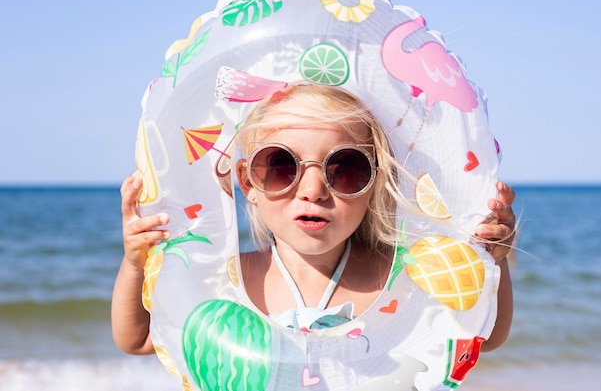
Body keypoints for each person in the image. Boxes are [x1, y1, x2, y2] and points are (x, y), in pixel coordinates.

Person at [112, 84, 516, 357]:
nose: (314, 189)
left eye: (346, 168)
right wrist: (135, 263)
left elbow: (484, 335)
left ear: (375, 183)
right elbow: (139, 339)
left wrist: (493, 260)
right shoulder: (229, 278)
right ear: (247, 182)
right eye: (281, 165)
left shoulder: (398, 275)